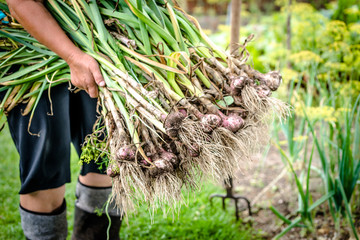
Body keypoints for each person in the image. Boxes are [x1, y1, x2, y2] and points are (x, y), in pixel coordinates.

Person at [3, 0, 122, 239]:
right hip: (30, 53)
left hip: (96, 43)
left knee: (106, 159)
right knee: (46, 174)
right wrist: (72, 57)